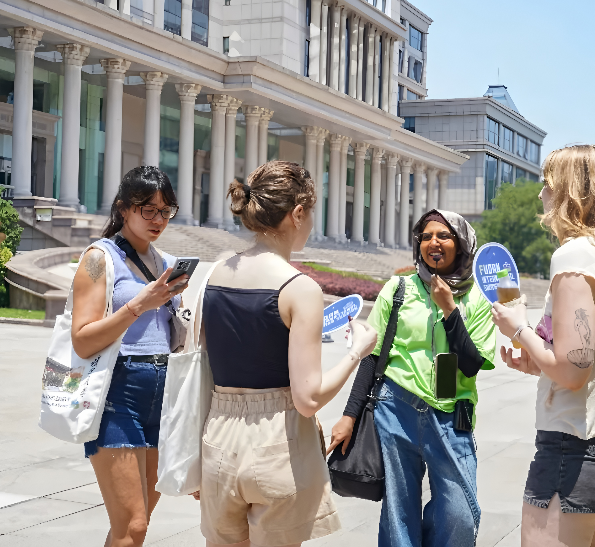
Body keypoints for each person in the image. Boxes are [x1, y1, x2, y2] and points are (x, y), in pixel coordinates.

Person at [197, 160, 377, 547]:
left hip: (217, 436)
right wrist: (356, 353)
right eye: (310, 212)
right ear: (297, 213)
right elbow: (308, 398)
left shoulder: (214, 273)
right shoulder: (298, 288)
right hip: (277, 439)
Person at [491, 144, 595, 547]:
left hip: (573, 447)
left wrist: (517, 328)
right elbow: (592, 357)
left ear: (571, 192)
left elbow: (574, 371)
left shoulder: (576, 254)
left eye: (547, 184)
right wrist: (537, 362)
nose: (540, 195)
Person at [329, 209, 497, 547]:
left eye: (444, 235)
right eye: (426, 236)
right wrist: (349, 415)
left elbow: (470, 364)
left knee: (460, 514)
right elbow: (372, 355)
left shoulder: (477, 298)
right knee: (398, 513)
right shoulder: (399, 288)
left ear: (462, 242)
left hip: (452, 416)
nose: (433, 242)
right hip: (396, 408)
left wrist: (449, 308)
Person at [71, 166, 189, 547]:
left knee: (137, 526)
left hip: (162, 393)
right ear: (123, 209)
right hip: (116, 394)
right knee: (132, 525)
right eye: (148, 210)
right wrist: (139, 304)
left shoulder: (165, 263)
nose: (158, 220)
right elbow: (82, 340)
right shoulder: (97, 258)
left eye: (166, 211)